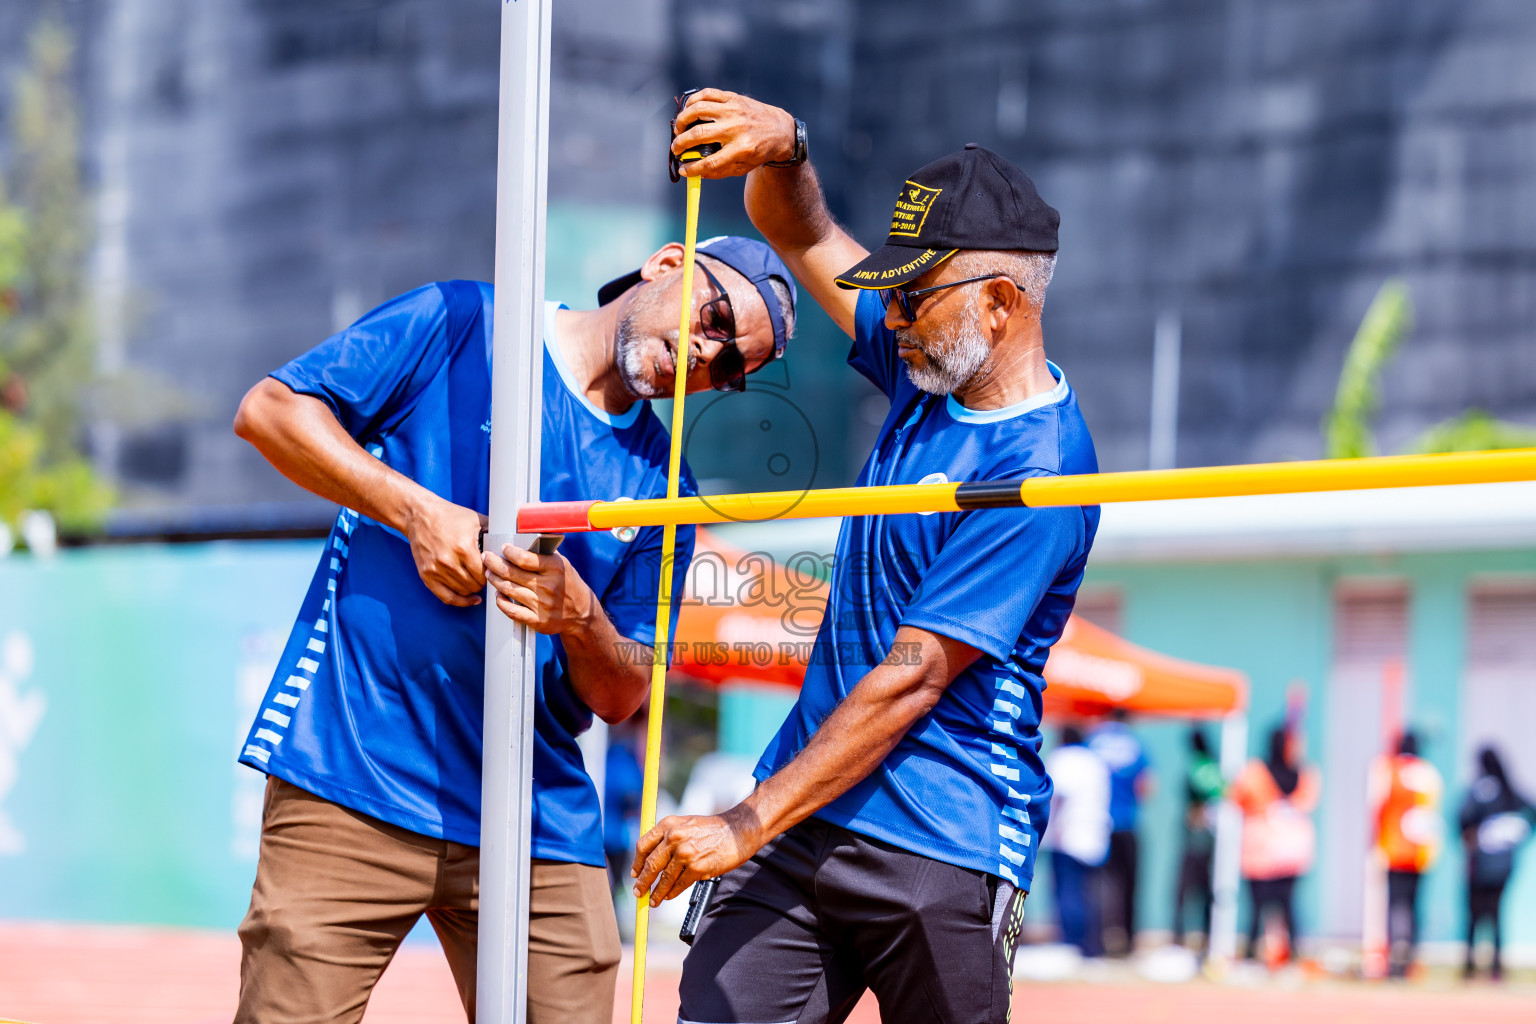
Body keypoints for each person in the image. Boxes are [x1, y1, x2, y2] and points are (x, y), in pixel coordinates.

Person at [230, 234, 797, 1024]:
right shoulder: (461, 322)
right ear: (667, 263)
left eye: (734, 366)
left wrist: (580, 616)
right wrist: (415, 512)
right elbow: (269, 412)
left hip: (534, 814)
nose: (707, 354)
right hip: (357, 770)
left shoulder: (666, 490)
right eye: (713, 318)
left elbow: (621, 692)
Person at [630, 90, 1099, 1024]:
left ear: (1001, 303)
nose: (887, 312)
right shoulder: (925, 358)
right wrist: (788, 149)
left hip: (941, 842)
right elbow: (805, 237)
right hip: (802, 819)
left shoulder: (1044, 470)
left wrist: (744, 819)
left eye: (912, 294)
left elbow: (912, 678)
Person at [1229, 726, 1320, 966]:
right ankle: (1293, 953)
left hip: (1260, 848)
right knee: (1288, 905)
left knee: (1257, 907)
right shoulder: (1303, 773)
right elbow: (1308, 800)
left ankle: (1251, 953)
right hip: (1292, 849)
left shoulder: (1254, 773)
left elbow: (1237, 798)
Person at [1370, 730, 1443, 978]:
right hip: (1421, 852)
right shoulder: (1428, 773)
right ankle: (1410, 958)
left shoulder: (1390, 771)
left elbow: (1378, 807)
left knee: (1395, 906)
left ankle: (1395, 962)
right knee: (1414, 907)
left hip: (1394, 849)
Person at [1458, 745, 1535, 981]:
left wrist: (1475, 838)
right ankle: (1496, 967)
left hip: (1481, 864)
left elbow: (1462, 819)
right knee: (1496, 913)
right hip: (1504, 865)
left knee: (1474, 914)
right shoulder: (1510, 791)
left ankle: (1471, 966)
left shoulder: (1482, 790)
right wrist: (1519, 836)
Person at [1087, 709, 1153, 954]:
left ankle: (1098, 939)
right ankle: (1128, 940)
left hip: (1099, 825)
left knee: (1097, 885)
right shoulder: (1136, 744)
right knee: (1130, 885)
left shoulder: (1092, 740)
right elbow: (1146, 787)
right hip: (1128, 823)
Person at [1043, 726, 1112, 956]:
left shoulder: (1064, 758)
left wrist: (1056, 828)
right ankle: (1092, 946)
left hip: (1069, 835)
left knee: (1067, 892)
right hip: (1095, 835)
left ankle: (1072, 945)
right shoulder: (1095, 761)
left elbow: (1059, 793)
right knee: (1089, 894)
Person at [1172, 727, 1223, 950]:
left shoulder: (1199, 768)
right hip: (1211, 840)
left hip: (1196, 839)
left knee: (1183, 892)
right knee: (1204, 894)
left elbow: (1203, 800)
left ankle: (1179, 937)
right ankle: (1206, 937)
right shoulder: (1214, 768)